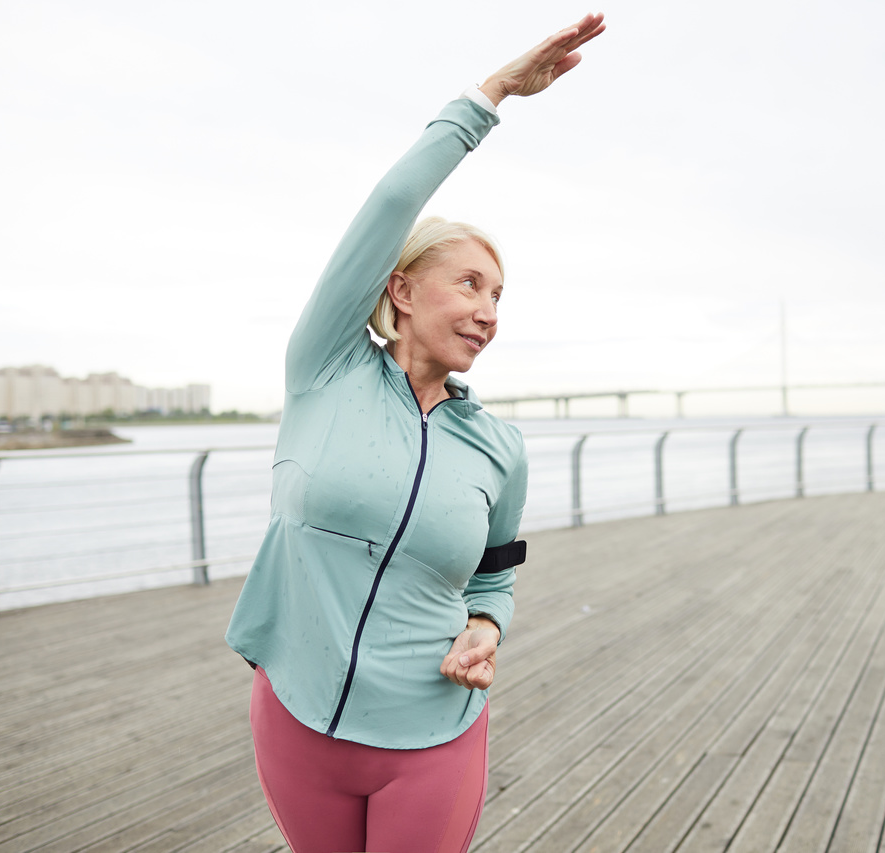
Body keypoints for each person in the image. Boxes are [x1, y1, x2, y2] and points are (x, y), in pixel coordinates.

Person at [224, 13, 605, 853]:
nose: (488, 311)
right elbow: (393, 203)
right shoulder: (324, 367)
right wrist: (493, 94)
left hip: (433, 731)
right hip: (298, 715)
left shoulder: (497, 448)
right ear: (399, 290)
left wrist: (486, 631)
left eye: (500, 296)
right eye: (469, 284)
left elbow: (494, 579)